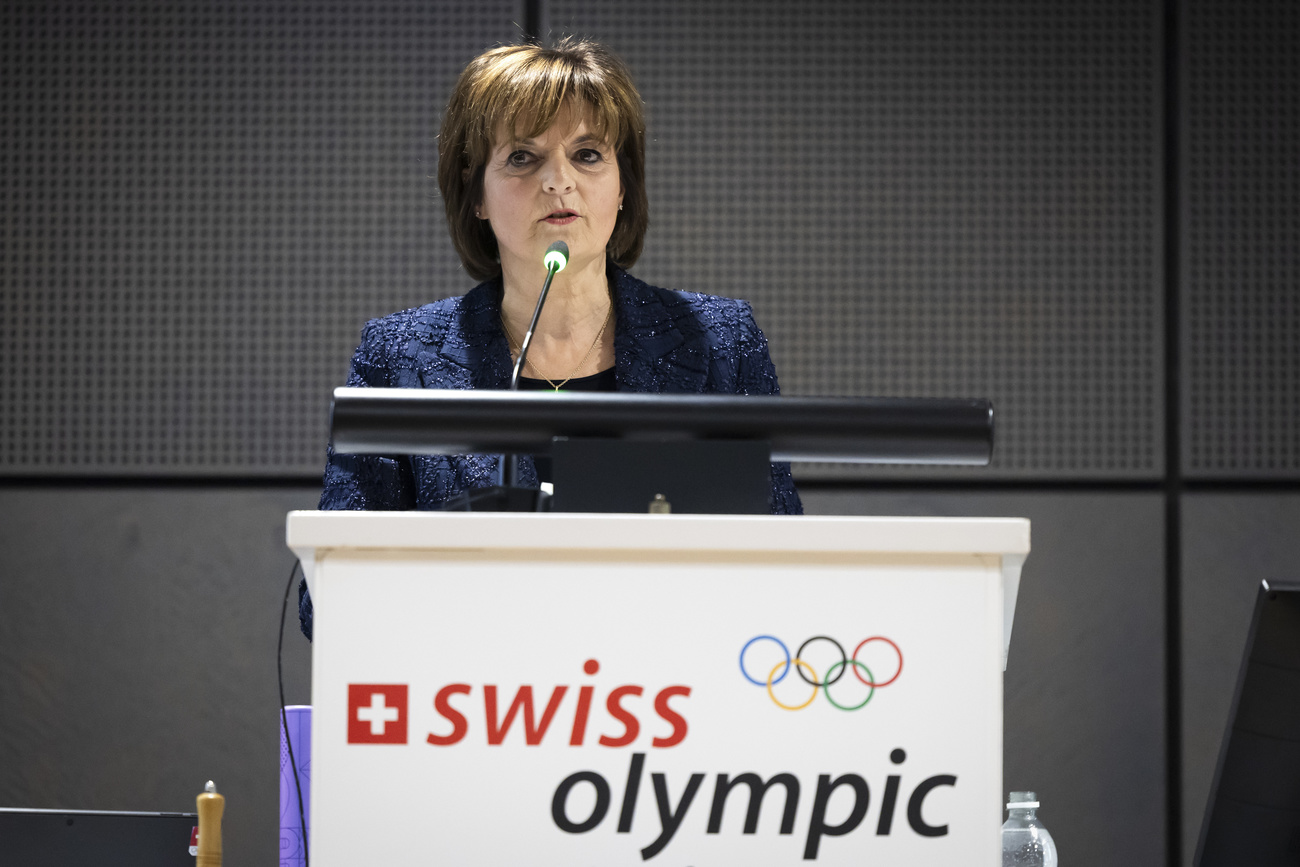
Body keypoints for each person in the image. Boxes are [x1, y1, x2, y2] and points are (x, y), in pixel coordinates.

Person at [301, 37, 800, 638]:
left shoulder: (719, 340)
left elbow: (782, 559)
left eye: (588, 154)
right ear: (476, 193)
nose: (558, 181)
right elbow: (326, 598)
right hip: (477, 701)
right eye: (522, 158)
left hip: (671, 695)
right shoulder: (399, 355)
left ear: (623, 186)